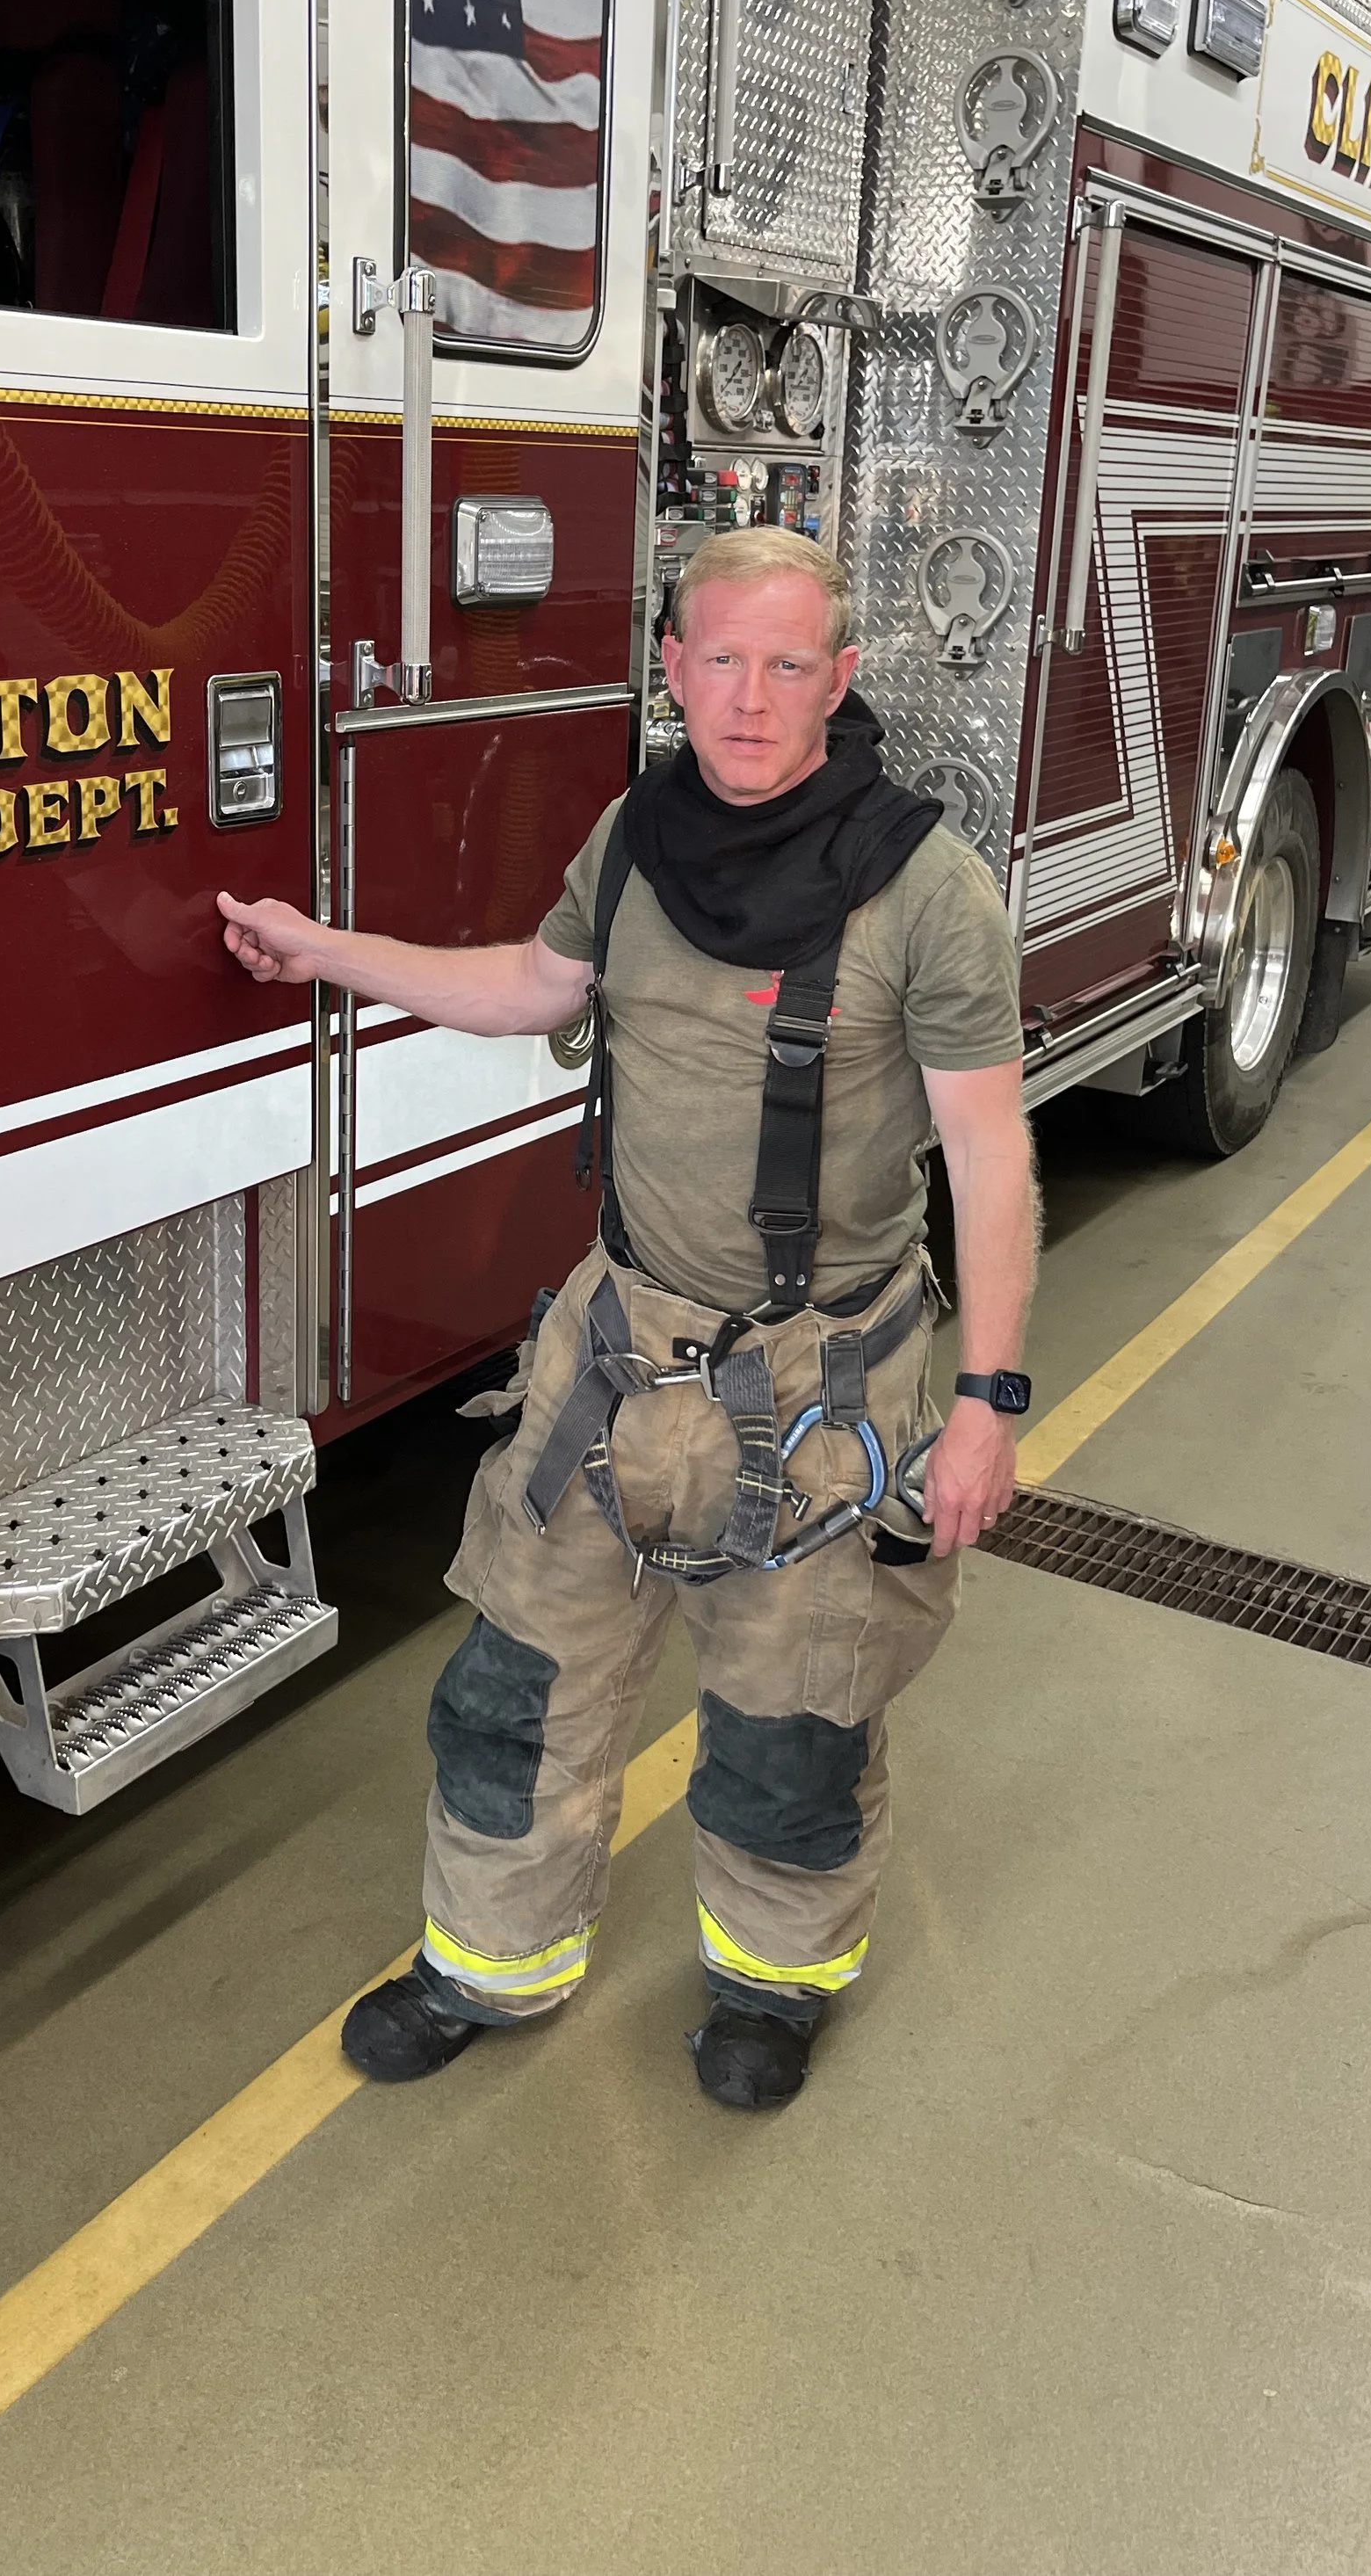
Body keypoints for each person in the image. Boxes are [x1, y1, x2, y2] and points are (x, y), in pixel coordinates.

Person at [218, 526, 1035, 2111]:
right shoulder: (637, 835)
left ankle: (773, 1983)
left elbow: (991, 1150)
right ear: (670, 667)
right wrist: (328, 956)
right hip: (617, 1363)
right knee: (517, 1687)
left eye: (788, 664)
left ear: (842, 680)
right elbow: (533, 985)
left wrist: (989, 1399)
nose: (749, 696)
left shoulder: (932, 892)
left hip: (827, 1392)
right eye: (718, 657)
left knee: (796, 1718)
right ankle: (488, 1960)